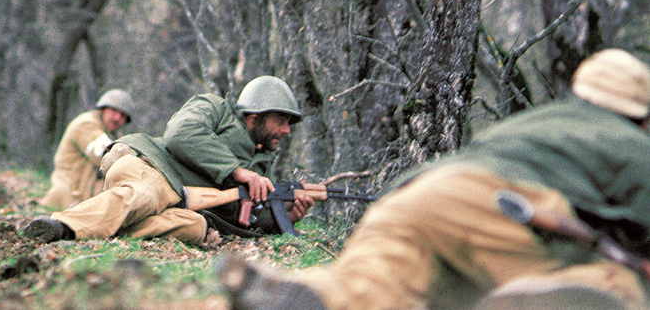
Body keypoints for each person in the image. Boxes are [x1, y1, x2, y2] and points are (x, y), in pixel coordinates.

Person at [216, 49, 650, 310]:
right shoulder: (630, 143)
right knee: (617, 287)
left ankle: (295, 296)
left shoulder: (539, 121)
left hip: (412, 198)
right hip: (506, 204)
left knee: (365, 288)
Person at [22, 75, 314, 245]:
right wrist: (237, 172)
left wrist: (281, 218)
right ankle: (61, 226)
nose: (287, 131)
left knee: (195, 227)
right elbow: (180, 133)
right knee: (145, 195)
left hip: (179, 200)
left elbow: (238, 219)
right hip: (152, 166)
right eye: (281, 120)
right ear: (255, 116)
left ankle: (105, 226)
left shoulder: (260, 166)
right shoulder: (216, 108)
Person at [39, 89, 135, 210]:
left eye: (123, 116)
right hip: (65, 199)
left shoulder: (113, 135)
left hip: (83, 201)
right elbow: (105, 156)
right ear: (102, 109)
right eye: (114, 110)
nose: (117, 118)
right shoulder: (86, 124)